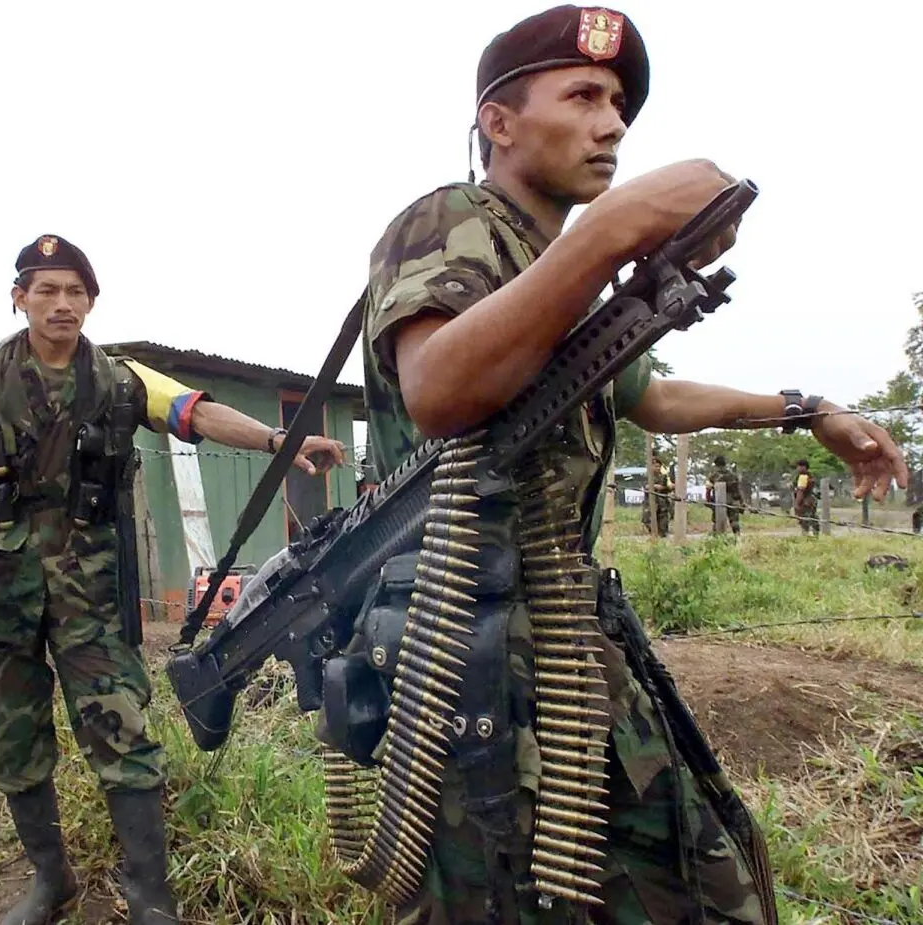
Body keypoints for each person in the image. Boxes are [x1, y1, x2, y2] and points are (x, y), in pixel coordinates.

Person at [357, 6, 907, 923]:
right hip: (458, 648)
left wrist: (809, 410)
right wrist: (607, 232)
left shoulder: (555, 263)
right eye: (582, 95)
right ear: (499, 121)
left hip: (563, 630)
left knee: (709, 875)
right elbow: (438, 388)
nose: (612, 123)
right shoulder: (446, 221)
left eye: (619, 103)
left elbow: (650, 395)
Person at [0, 234, 345, 925]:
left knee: (122, 732)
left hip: (87, 598)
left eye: (76, 291)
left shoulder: (121, 379)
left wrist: (283, 440)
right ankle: (50, 880)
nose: (63, 303)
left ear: (92, 301)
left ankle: (152, 896)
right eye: (47, 289)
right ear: (19, 297)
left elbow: (197, 412)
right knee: (11, 736)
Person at [705, 454, 743, 535]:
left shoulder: (714, 476)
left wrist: (708, 501)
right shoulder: (733, 475)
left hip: (719, 502)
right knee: (735, 523)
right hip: (732, 501)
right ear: (725, 464)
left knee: (718, 523)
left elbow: (708, 489)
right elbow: (738, 490)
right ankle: (738, 540)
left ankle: (718, 541)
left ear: (716, 465)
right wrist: (741, 502)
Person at [641, 452, 673, 536]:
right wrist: (655, 486)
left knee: (663, 524)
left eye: (659, 466)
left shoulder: (664, 476)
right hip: (650, 503)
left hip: (662, 503)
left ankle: (661, 535)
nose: (658, 468)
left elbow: (668, 487)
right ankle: (654, 535)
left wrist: (665, 487)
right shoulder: (646, 476)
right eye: (656, 466)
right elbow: (646, 486)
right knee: (648, 520)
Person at [792, 458, 820, 535]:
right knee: (813, 518)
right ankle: (816, 536)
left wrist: (797, 504)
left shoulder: (803, 477)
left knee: (805, 521)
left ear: (803, 467)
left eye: (798, 466)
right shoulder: (810, 476)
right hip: (812, 501)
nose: (797, 468)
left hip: (805, 502)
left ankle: (806, 538)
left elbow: (800, 491)